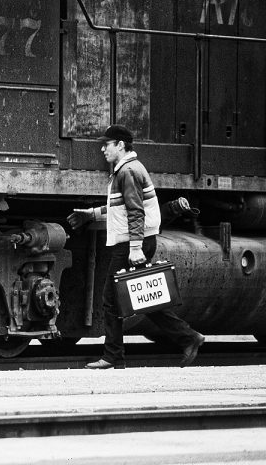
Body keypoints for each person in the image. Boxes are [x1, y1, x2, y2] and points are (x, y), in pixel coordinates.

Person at [67, 124, 204, 369]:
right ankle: (189, 337)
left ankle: (112, 357)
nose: (102, 149)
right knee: (140, 298)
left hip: (132, 242)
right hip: (135, 240)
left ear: (120, 145)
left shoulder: (127, 171)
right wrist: (93, 213)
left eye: (107, 144)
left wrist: (135, 247)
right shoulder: (128, 169)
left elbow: (135, 211)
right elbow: (121, 207)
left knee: (111, 300)